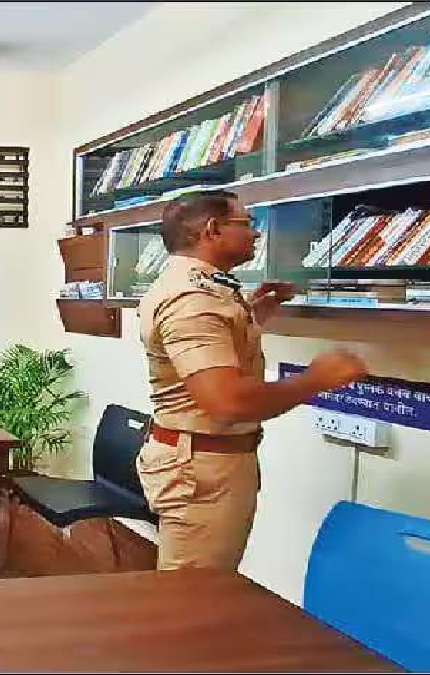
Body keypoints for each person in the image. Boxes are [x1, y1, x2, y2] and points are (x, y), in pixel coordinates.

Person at [136, 188, 368, 571]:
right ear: (213, 229)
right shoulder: (193, 298)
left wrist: (254, 316)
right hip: (203, 468)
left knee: (201, 585)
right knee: (195, 593)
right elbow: (228, 402)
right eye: (248, 223)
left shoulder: (199, 287)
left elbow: (212, 351)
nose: (256, 233)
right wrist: (317, 379)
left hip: (205, 460)